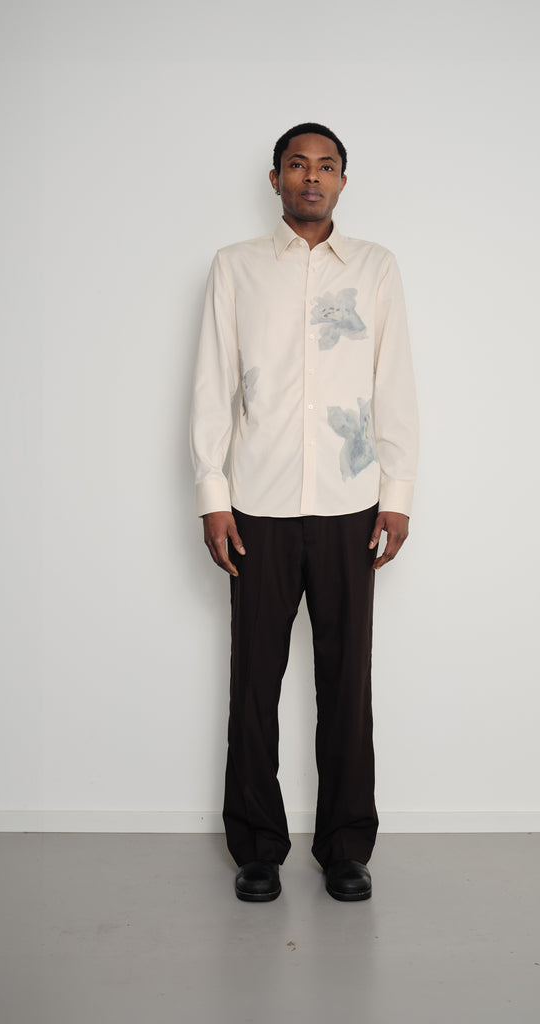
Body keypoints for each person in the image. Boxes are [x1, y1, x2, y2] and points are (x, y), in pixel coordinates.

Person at [189, 122, 418, 902]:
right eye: (297, 165)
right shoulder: (236, 268)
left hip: (352, 504)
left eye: (325, 166)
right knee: (254, 681)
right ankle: (258, 846)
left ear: (343, 181)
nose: (311, 177)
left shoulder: (377, 268)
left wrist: (398, 495)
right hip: (258, 504)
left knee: (348, 681)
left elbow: (394, 385)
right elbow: (212, 389)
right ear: (276, 178)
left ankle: (345, 845)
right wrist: (213, 497)